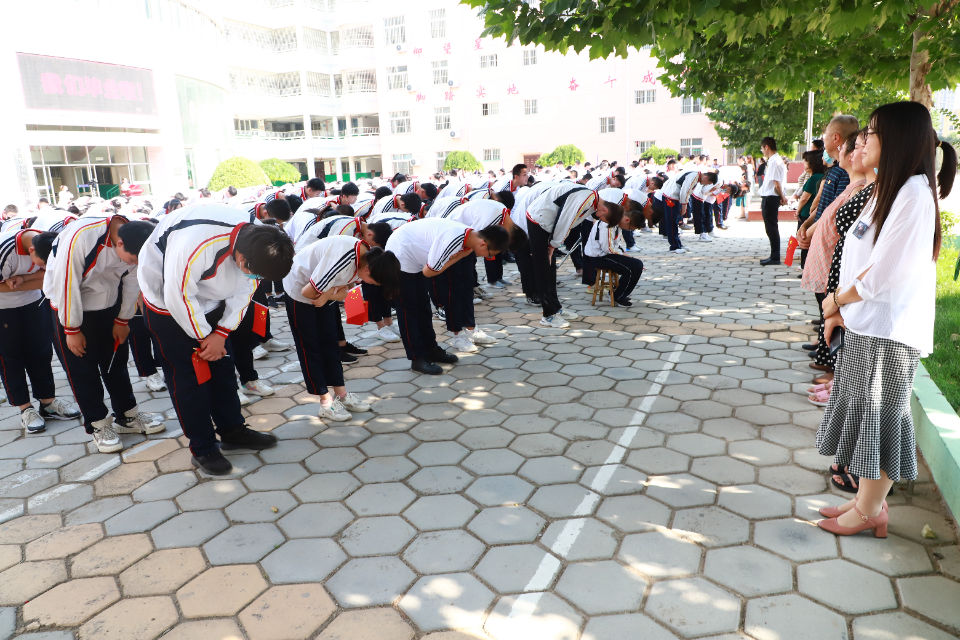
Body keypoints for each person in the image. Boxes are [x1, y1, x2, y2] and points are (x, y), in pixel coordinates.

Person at [816, 101, 956, 537]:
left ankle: (871, 510)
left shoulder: (913, 196)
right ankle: (865, 503)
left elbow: (882, 275)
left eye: (871, 133)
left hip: (888, 329)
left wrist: (836, 300)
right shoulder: (889, 189)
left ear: (896, 141)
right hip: (866, 322)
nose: (862, 141)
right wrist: (841, 308)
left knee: (878, 416)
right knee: (863, 415)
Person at [138, 205, 295, 474]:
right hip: (169, 307)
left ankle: (233, 431)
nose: (256, 278)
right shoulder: (195, 243)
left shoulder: (258, 239)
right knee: (191, 381)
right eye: (254, 271)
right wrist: (204, 338)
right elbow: (179, 296)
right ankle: (203, 449)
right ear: (242, 257)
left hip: (211, 303)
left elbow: (246, 287)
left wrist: (221, 333)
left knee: (222, 369)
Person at [43, 216, 160, 453]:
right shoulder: (82, 237)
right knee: (83, 369)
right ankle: (98, 424)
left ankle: (127, 416)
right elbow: (67, 282)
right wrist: (72, 329)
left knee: (116, 361)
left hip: (108, 303)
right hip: (70, 306)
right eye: (133, 259)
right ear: (119, 244)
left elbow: (132, 281)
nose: (137, 263)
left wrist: (123, 319)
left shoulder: (136, 236)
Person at [283, 235, 398, 421]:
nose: (370, 285)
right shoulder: (344, 258)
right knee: (311, 347)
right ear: (368, 270)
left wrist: (329, 295)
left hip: (322, 288)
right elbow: (309, 293)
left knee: (331, 342)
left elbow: (341, 290)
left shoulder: (367, 258)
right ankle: (325, 403)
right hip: (299, 289)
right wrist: (333, 294)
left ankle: (342, 395)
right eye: (373, 282)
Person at [384, 218, 507, 374]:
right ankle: (417, 358)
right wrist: (458, 257)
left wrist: (457, 257)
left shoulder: (468, 236)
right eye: (489, 255)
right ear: (483, 244)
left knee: (424, 308)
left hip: (415, 256)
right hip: (400, 255)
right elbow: (429, 272)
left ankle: (431, 349)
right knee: (409, 311)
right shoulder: (454, 239)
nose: (486, 257)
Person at [800, 130, 862, 407]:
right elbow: (826, 209)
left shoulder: (869, 188)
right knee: (831, 316)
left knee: (843, 322)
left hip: (853, 278)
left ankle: (841, 378)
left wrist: (837, 299)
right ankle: (838, 373)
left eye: (864, 144)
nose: (859, 151)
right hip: (840, 266)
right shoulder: (851, 182)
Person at [0, 228, 81, 433]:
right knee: (11, 358)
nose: (44, 266)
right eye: (42, 263)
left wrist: (22, 280)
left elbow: (48, 280)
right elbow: (43, 279)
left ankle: (48, 402)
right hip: (3, 311)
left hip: (34, 303)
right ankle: (25, 408)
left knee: (41, 352)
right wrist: (32, 280)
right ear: (31, 250)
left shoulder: (48, 242)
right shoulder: (5, 250)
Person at [758, 136, 787, 265]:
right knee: (771, 227)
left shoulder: (775, 161)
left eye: (762, 148)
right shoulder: (774, 160)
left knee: (771, 228)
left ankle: (775, 257)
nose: (762, 151)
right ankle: (773, 255)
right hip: (770, 197)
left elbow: (776, 183)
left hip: (771, 198)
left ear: (766, 147)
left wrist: (782, 197)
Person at [795, 150, 826, 267]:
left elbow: (804, 197)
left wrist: (797, 210)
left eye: (806, 161)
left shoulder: (813, 178)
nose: (803, 163)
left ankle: (804, 267)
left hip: (806, 214)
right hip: (813, 214)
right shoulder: (821, 176)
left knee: (804, 241)